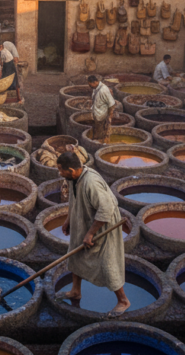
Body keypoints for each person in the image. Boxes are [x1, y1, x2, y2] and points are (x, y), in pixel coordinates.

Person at [56, 150, 129, 314]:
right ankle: (76, 291)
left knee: (107, 264)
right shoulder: (73, 179)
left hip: (102, 226)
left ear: (72, 170)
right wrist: (69, 220)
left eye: (61, 170)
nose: (60, 173)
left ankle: (123, 301)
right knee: (76, 255)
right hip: (83, 221)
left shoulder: (91, 182)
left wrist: (90, 233)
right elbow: (73, 200)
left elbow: (106, 209)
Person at [89, 75, 116, 143]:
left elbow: (111, 104)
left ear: (95, 82)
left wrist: (110, 116)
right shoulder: (96, 88)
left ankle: (101, 144)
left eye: (90, 84)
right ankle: (97, 140)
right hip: (97, 113)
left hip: (102, 115)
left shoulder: (103, 90)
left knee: (101, 132)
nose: (90, 86)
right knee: (97, 130)